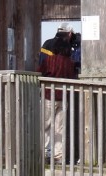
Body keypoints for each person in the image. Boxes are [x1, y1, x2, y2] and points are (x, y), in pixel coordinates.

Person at [38, 22, 77, 163]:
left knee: (45, 126)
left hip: (49, 95)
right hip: (64, 96)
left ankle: (42, 155)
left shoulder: (49, 60)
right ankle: (58, 157)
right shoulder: (70, 63)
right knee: (60, 127)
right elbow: (73, 75)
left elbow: (39, 72)